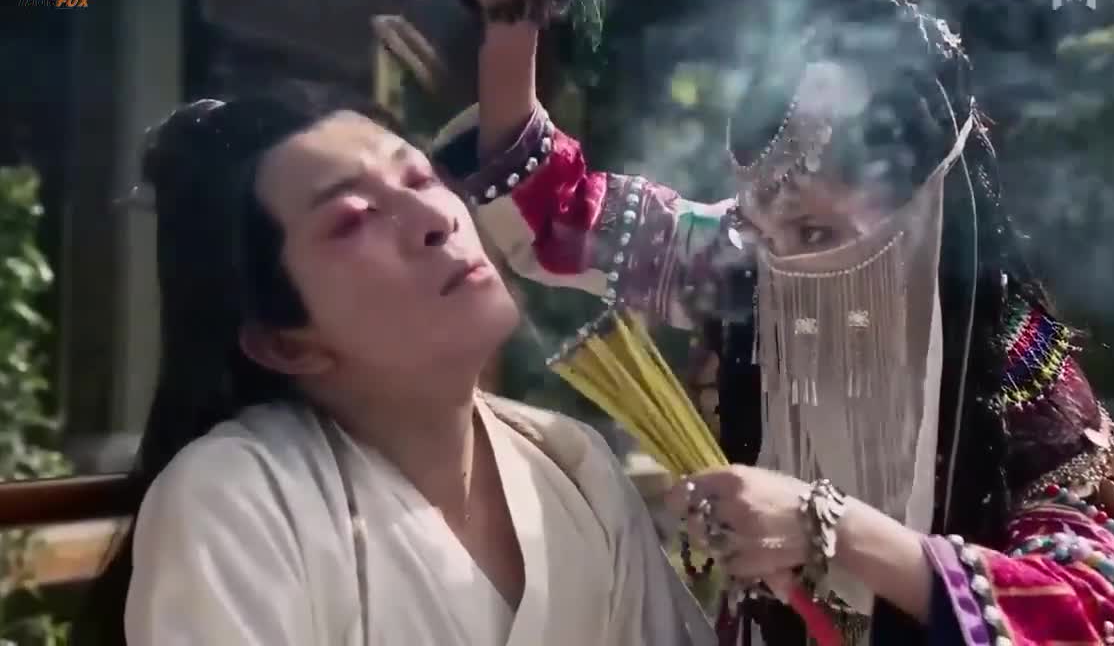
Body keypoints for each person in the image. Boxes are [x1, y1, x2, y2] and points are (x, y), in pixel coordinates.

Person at [410, 0, 1114, 646]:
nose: (782, 263)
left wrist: (828, 528)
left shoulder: (1017, 372)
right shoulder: (747, 270)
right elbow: (557, 215)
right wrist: (513, 27)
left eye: (814, 231)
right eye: (759, 225)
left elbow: (1103, 614)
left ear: (923, 212)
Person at [77, 84, 715, 646]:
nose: (435, 219)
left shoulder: (574, 469)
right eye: (352, 220)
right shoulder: (237, 498)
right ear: (285, 343)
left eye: (420, 180)